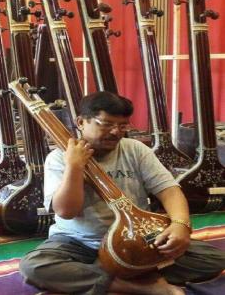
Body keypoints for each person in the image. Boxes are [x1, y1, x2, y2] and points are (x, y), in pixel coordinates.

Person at [19, 91, 225, 295]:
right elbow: (66, 211)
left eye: (123, 125)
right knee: (35, 267)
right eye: (106, 124)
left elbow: (168, 189)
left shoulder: (135, 149)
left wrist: (180, 225)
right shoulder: (58, 158)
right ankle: (139, 285)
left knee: (212, 259)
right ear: (81, 122)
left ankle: (105, 275)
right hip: (79, 243)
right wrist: (74, 167)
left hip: (139, 241)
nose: (116, 132)